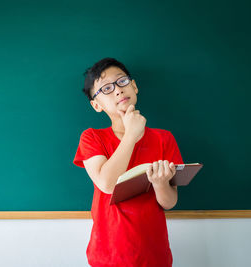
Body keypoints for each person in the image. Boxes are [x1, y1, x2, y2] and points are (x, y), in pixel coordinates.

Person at [73, 57, 184, 267]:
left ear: (134, 86)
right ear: (96, 105)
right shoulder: (92, 138)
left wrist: (160, 183)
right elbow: (106, 183)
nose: (117, 90)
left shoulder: (164, 138)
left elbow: (169, 202)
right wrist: (131, 134)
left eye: (121, 81)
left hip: (155, 255)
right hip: (109, 256)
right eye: (106, 88)